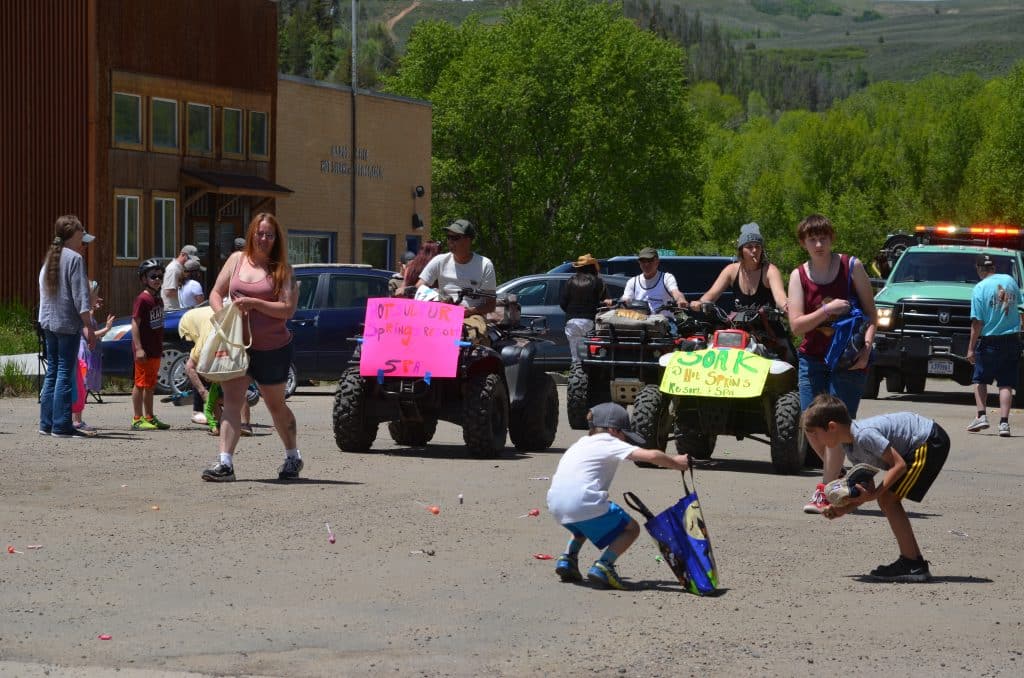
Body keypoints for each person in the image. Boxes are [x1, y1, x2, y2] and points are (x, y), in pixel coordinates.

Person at [803, 394, 949, 582]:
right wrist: (843, 509)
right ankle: (913, 562)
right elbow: (867, 488)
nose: (815, 439)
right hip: (917, 444)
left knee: (887, 499)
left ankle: (913, 564)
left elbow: (899, 465)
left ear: (832, 427)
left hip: (928, 440)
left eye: (816, 433)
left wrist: (875, 495)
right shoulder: (849, 445)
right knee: (887, 500)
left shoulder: (863, 435)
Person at [787, 214, 877, 514]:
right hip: (812, 358)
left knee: (834, 427)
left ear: (831, 238)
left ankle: (825, 492)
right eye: (812, 239)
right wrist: (827, 309)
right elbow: (797, 326)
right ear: (803, 243)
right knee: (811, 424)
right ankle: (838, 478)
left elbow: (871, 315)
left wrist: (866, 349)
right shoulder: (798, 276)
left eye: (823, 237)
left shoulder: (852, 267)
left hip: (848, 360)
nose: (818, 243)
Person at [546, 402, 690, 589]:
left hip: (556, 505)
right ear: (613, 430)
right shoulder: (610, 442)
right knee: (631, 529)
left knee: (584, 525)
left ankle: (567, 559)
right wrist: (678, 463)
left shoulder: (580, 443)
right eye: (624, 435)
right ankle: (604, 566)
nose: (625, 440)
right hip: (584, 502)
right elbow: (652, 456)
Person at [201, 212, 300, 482]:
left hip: (272, 347)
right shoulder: (235, 260)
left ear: (276, 239)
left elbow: (287, 309)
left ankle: (292, 456)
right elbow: (215, 293)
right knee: (232, 401)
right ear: (251, 234)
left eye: (269, 234)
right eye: (260, 233)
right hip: (237, 347)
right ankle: (225, 464)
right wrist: (223, 315)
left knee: (275, 404)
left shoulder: (283, 270)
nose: (264, 238)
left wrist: (255, 304)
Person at [38, 215, 96, 438]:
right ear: (74, 235)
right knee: (64, 372)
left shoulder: (51, 256)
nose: (83, 240)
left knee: (52, 371)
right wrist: (88, 326)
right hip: (66, 323)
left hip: (49, 322)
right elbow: (81, 297)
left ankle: (47, 423)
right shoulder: (74, 259)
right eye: (82, 235)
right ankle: (62, 425)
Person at [967, 253, 1022, 437]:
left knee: (980, 379)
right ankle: (1004, 423)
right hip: (1012, 338)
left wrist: (971, 348)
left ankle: (981, 415)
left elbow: (977, 322)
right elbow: (1021, 308)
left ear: (979, 269)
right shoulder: (1010, 281)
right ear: (994, 268)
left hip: (990, 340)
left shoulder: (979, 288)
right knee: (1006, 383)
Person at [416, 220, 496, 345]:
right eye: (448, 237)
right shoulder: (440, 260)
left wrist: (469, 311)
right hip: (441, 315)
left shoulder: (485, 264)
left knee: (469, 336)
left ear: (469, 240)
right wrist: (438, 299)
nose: (450, 241)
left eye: (455, 237)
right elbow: (420, 286)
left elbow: (490, 305)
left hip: (471, 316)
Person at [690, 222, 788, 313]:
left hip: (768, 328)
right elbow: (712, 295)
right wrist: (700, 302)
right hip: (742, 329)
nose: (754, 250)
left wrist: (785, 305)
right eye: (749, 246)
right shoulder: (731, 270)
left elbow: (780, 297)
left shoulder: (770, 270)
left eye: (758, 246)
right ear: (741, 251)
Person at [131, 259, 170, 431]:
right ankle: (137, 418)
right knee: (140, 384)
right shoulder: (142, 299)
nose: (157, 279)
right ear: (144, 279)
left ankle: (149, 416)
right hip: (144, 350)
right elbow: (135, 324)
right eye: (152, 276)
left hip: (155, 348)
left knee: (150, 384)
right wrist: (139, 348)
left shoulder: (158, 299)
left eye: (160, 276)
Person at [72, 280, 114, 434]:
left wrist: (93, 309)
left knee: (84, 387)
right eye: (96, 295)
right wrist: (107, 329)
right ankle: (77, 420)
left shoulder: (87, 311)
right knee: (82, 387)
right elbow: (89, 334)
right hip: (85, 352)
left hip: (89, 352)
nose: (98, 298)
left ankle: (77, 419)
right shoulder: (84, 313)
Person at [559, 254, 611, 363]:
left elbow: (563, 303)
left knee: (576, 359)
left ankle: (577, 375)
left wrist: (571, 313)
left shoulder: (570, 281)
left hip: (571, 323)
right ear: (593, 267)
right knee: (592, 358)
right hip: (591, 323)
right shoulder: (599, 282)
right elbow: (606, 304)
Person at [621, 247, 687, 317]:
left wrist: (680, 299)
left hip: (664, 323)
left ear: (657, 261)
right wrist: (618, 302)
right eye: (643, 261)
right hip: (640, 323)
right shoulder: (632, 281)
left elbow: (675, 292)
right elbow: (626, 299)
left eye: (650, 260)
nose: (646, 264)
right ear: (639, 263)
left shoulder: (666, 278)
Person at [161, 244, 198, 310]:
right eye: (189, 258)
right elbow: (168, 292)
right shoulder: (173, 269)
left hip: (176, 307)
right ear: (183, 254)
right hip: (170, 309)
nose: (191, 261)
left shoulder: (180, 268)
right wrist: (188, 291)